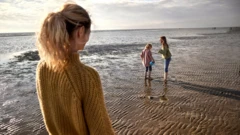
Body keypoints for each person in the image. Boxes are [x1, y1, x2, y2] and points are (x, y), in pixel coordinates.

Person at [36, 3, 115, 135]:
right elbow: (102, 131)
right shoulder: (88, 77)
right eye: (89, 32)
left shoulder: (42, 67)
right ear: (80, 32)